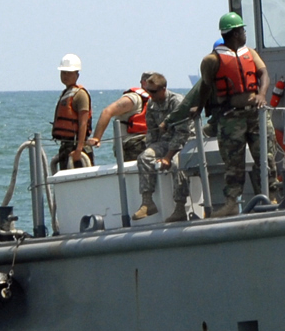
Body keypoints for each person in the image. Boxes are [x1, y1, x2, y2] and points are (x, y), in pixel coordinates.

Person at [165, 13, 269, 215]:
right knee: (233, 164)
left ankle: (269, 197)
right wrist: (199, 107)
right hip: (230, 119)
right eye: (242, 30)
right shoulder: (211, 60)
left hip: (255, 116)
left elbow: (263, 73)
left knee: (266, 158)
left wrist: (262, 94)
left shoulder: (251, 54)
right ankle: (231, 204)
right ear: (236, 33)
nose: (245, 33)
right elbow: (204, 88)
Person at [132, 79, 191, 220]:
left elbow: (182, 133)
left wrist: (168, 157)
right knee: (144, 157)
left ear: (163, 89)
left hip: (187, 142)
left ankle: (180, 208)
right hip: (166, 141)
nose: (150, 95)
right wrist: (153, 150)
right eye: (148, 91)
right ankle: (147, 202)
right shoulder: (152, 104)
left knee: (178, 164)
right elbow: (152, 132)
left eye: (153, 91)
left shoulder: (177, 102)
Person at [90, 72, 168, 161]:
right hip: (130, 144)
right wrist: (97, 138)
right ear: (144, 83)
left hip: (147, 140)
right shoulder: (133, 99)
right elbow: (107, 112)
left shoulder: (154, 101)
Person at [50, 54, 93, 170]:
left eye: (69, 73)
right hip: (66, 147)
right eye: (63, 73)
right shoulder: (66, 93)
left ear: (77, 75)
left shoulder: (80, 95)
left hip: (76, 148)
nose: (65, 76)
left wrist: (79, 149)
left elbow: (83, 123)